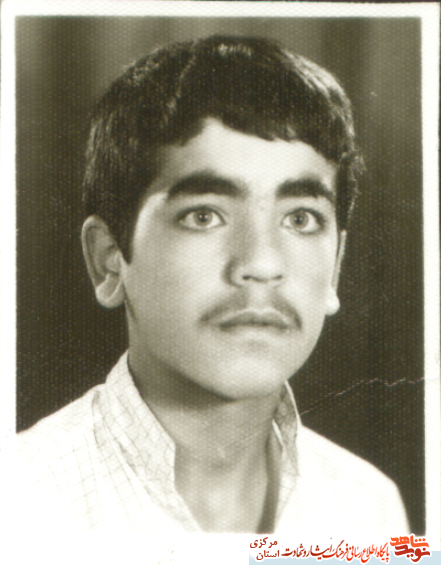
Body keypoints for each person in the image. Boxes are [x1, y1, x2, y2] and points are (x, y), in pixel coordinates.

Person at [17, 35, 409, 535]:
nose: (261, 264)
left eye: (301, 219)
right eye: (204, 216)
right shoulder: (22, 503)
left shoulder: (370, 510)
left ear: (334, 268)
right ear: (109, 260)